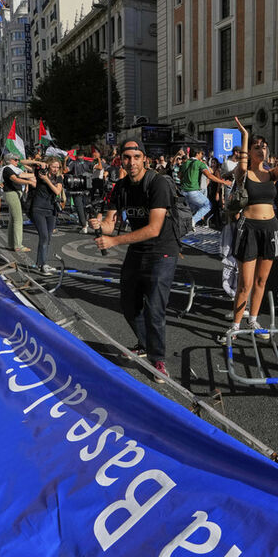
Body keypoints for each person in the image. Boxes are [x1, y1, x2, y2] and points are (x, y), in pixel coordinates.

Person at [89, 140, 181, 382]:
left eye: (136, 157)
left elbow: (154, 228)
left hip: (162, 249)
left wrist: (114, 242)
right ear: (121, 159)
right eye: (126, 157)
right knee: (129, 303)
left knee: (154, 307)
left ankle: (157, 358)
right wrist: (100, 226)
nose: (131, 162)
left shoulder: (158, 183)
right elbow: (110, 224)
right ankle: (144, 343)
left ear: (144, 159)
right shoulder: (120, 187)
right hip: (138, 249)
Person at [221, 114, 278, 341]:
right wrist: (245, 136)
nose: (261, 150)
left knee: (261, 281)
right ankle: (236, 325)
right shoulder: (243, 173)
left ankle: (253, 319)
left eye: (264, 147)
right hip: (248, 228)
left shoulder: (272, 175)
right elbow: (243, 164)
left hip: (270, 228)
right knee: (245, 283)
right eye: (257, 147)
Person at [31, 156, 64, 274]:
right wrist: (39, 162)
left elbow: (57, 191)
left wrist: (47, 180)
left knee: (48, 238)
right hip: (38, 208)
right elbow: (22, 162)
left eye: (57, 167)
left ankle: (40, 263)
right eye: (53, 166)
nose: (55, 169)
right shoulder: (40, 173)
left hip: (51, 210)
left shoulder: (58, 177)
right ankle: (43, 264)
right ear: (48, 165)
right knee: (44, 236)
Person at [179, 149, 227, 227]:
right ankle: (193, 221)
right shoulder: (199, 163)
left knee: (191, 209)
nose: (202, 155)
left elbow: (179, 176)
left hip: (183, 191)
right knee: (207, 205)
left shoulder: (185, 163)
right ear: (197, 153)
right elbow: (209, 176)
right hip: (193, 191)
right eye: (201, 153)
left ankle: (184, 225)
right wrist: (224, 182)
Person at [0, 152, 37, 252]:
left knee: (13, 219)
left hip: (15, 194)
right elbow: (15, 179)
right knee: (18, 219)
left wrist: (36, 173)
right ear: (9, 160)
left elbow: (25, 174)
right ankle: (18, 245)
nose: (17, 161)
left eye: (17, 159)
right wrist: (29, 182)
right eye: (15, 159)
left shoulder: (15, 169)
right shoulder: (7, 169)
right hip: (11, 194)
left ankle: (11, 244)